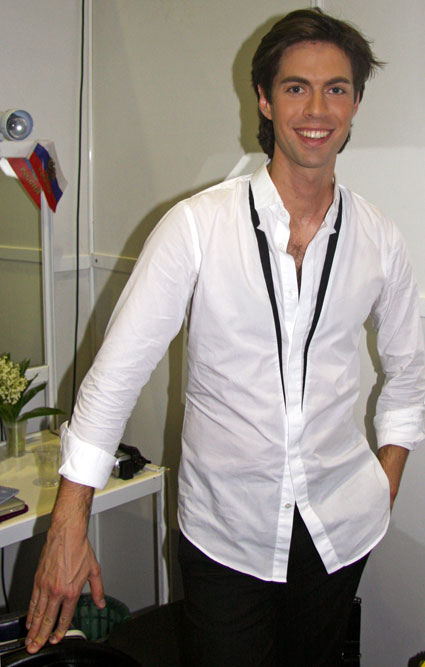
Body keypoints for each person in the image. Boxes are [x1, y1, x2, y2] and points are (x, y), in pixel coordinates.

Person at [25, 7, 425, 665]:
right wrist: (70, 519)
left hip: (339, 529)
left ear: (355, 102)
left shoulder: (379, 237)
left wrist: (383, 483)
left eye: (336, 88)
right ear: (264, 100)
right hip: (225, 536)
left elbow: (409, 372)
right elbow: (115, 377)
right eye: (295, 87)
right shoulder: (196, 226)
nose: (316, 108)